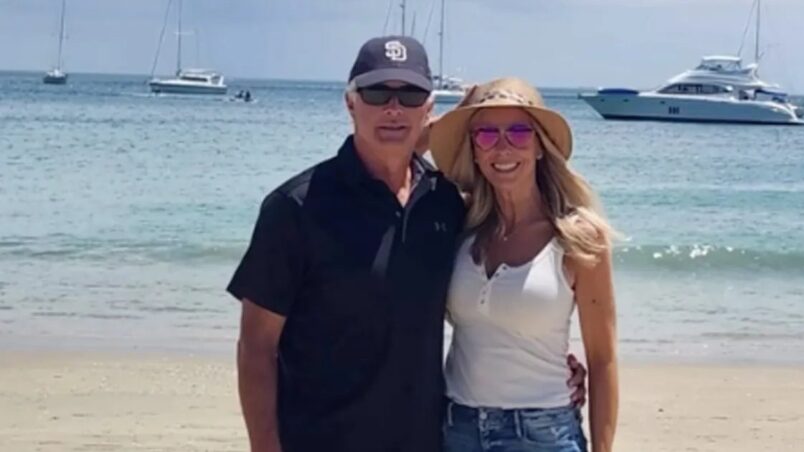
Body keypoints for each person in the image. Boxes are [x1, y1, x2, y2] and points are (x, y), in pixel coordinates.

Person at [227, 36, 586, 452]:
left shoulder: (445, 202)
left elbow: (488, 295)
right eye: (377, 93)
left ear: (428, 107)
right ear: (350, 103)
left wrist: (548, 362)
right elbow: (256, 349)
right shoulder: (296, 208)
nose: (393, 108)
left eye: (410, 95)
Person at [428, 77, 619, 452]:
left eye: (518, 132)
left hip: (542, 434)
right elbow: (398, 177)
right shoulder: (458, 225)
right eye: (486, 134)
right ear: (474, 150)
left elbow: (603, 359)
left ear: (540, 146)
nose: (503, 147)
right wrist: (455, 113)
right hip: (457, 430)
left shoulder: (579, 238)